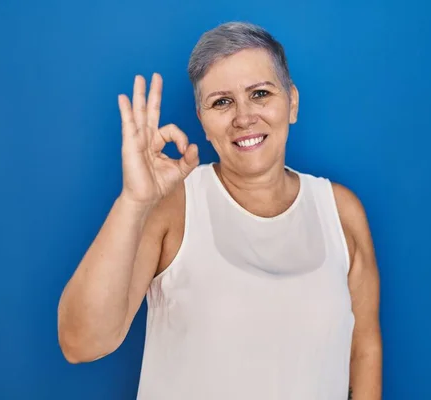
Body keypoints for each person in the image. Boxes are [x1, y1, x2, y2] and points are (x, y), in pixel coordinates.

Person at [57, 21, 382, 400]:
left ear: (291, 102)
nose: (244, 117)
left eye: (260, 93)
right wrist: (133, 201)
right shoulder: (174, 206)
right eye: (222, 102)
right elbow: (80, 342)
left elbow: (364, 351)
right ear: (203, 122)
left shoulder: (340, 212)